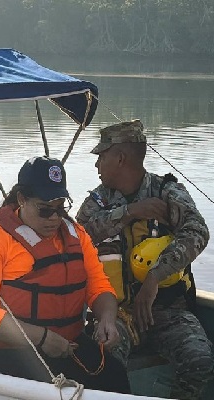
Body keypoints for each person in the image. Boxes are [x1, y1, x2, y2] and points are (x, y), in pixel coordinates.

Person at [0, 156, 130, 394]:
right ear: (22, 200)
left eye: (60, 208)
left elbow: (98, 285)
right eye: (45, 210)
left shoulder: (76, 235)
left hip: (60, 340)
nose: (55, 218)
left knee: (114, 377)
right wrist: (43, 339)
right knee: (50, 385)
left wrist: (107, 318)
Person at [76, 119, 213, 399]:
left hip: (167, 311)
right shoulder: (98, 202)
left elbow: (197, 232)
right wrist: (129, 212)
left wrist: (155, 277)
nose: (96, 165)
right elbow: (78, 237)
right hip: (115, 313)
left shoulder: (167, 192)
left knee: (199, 359)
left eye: (101, 156)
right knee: (103, 357)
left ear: (121, 158)